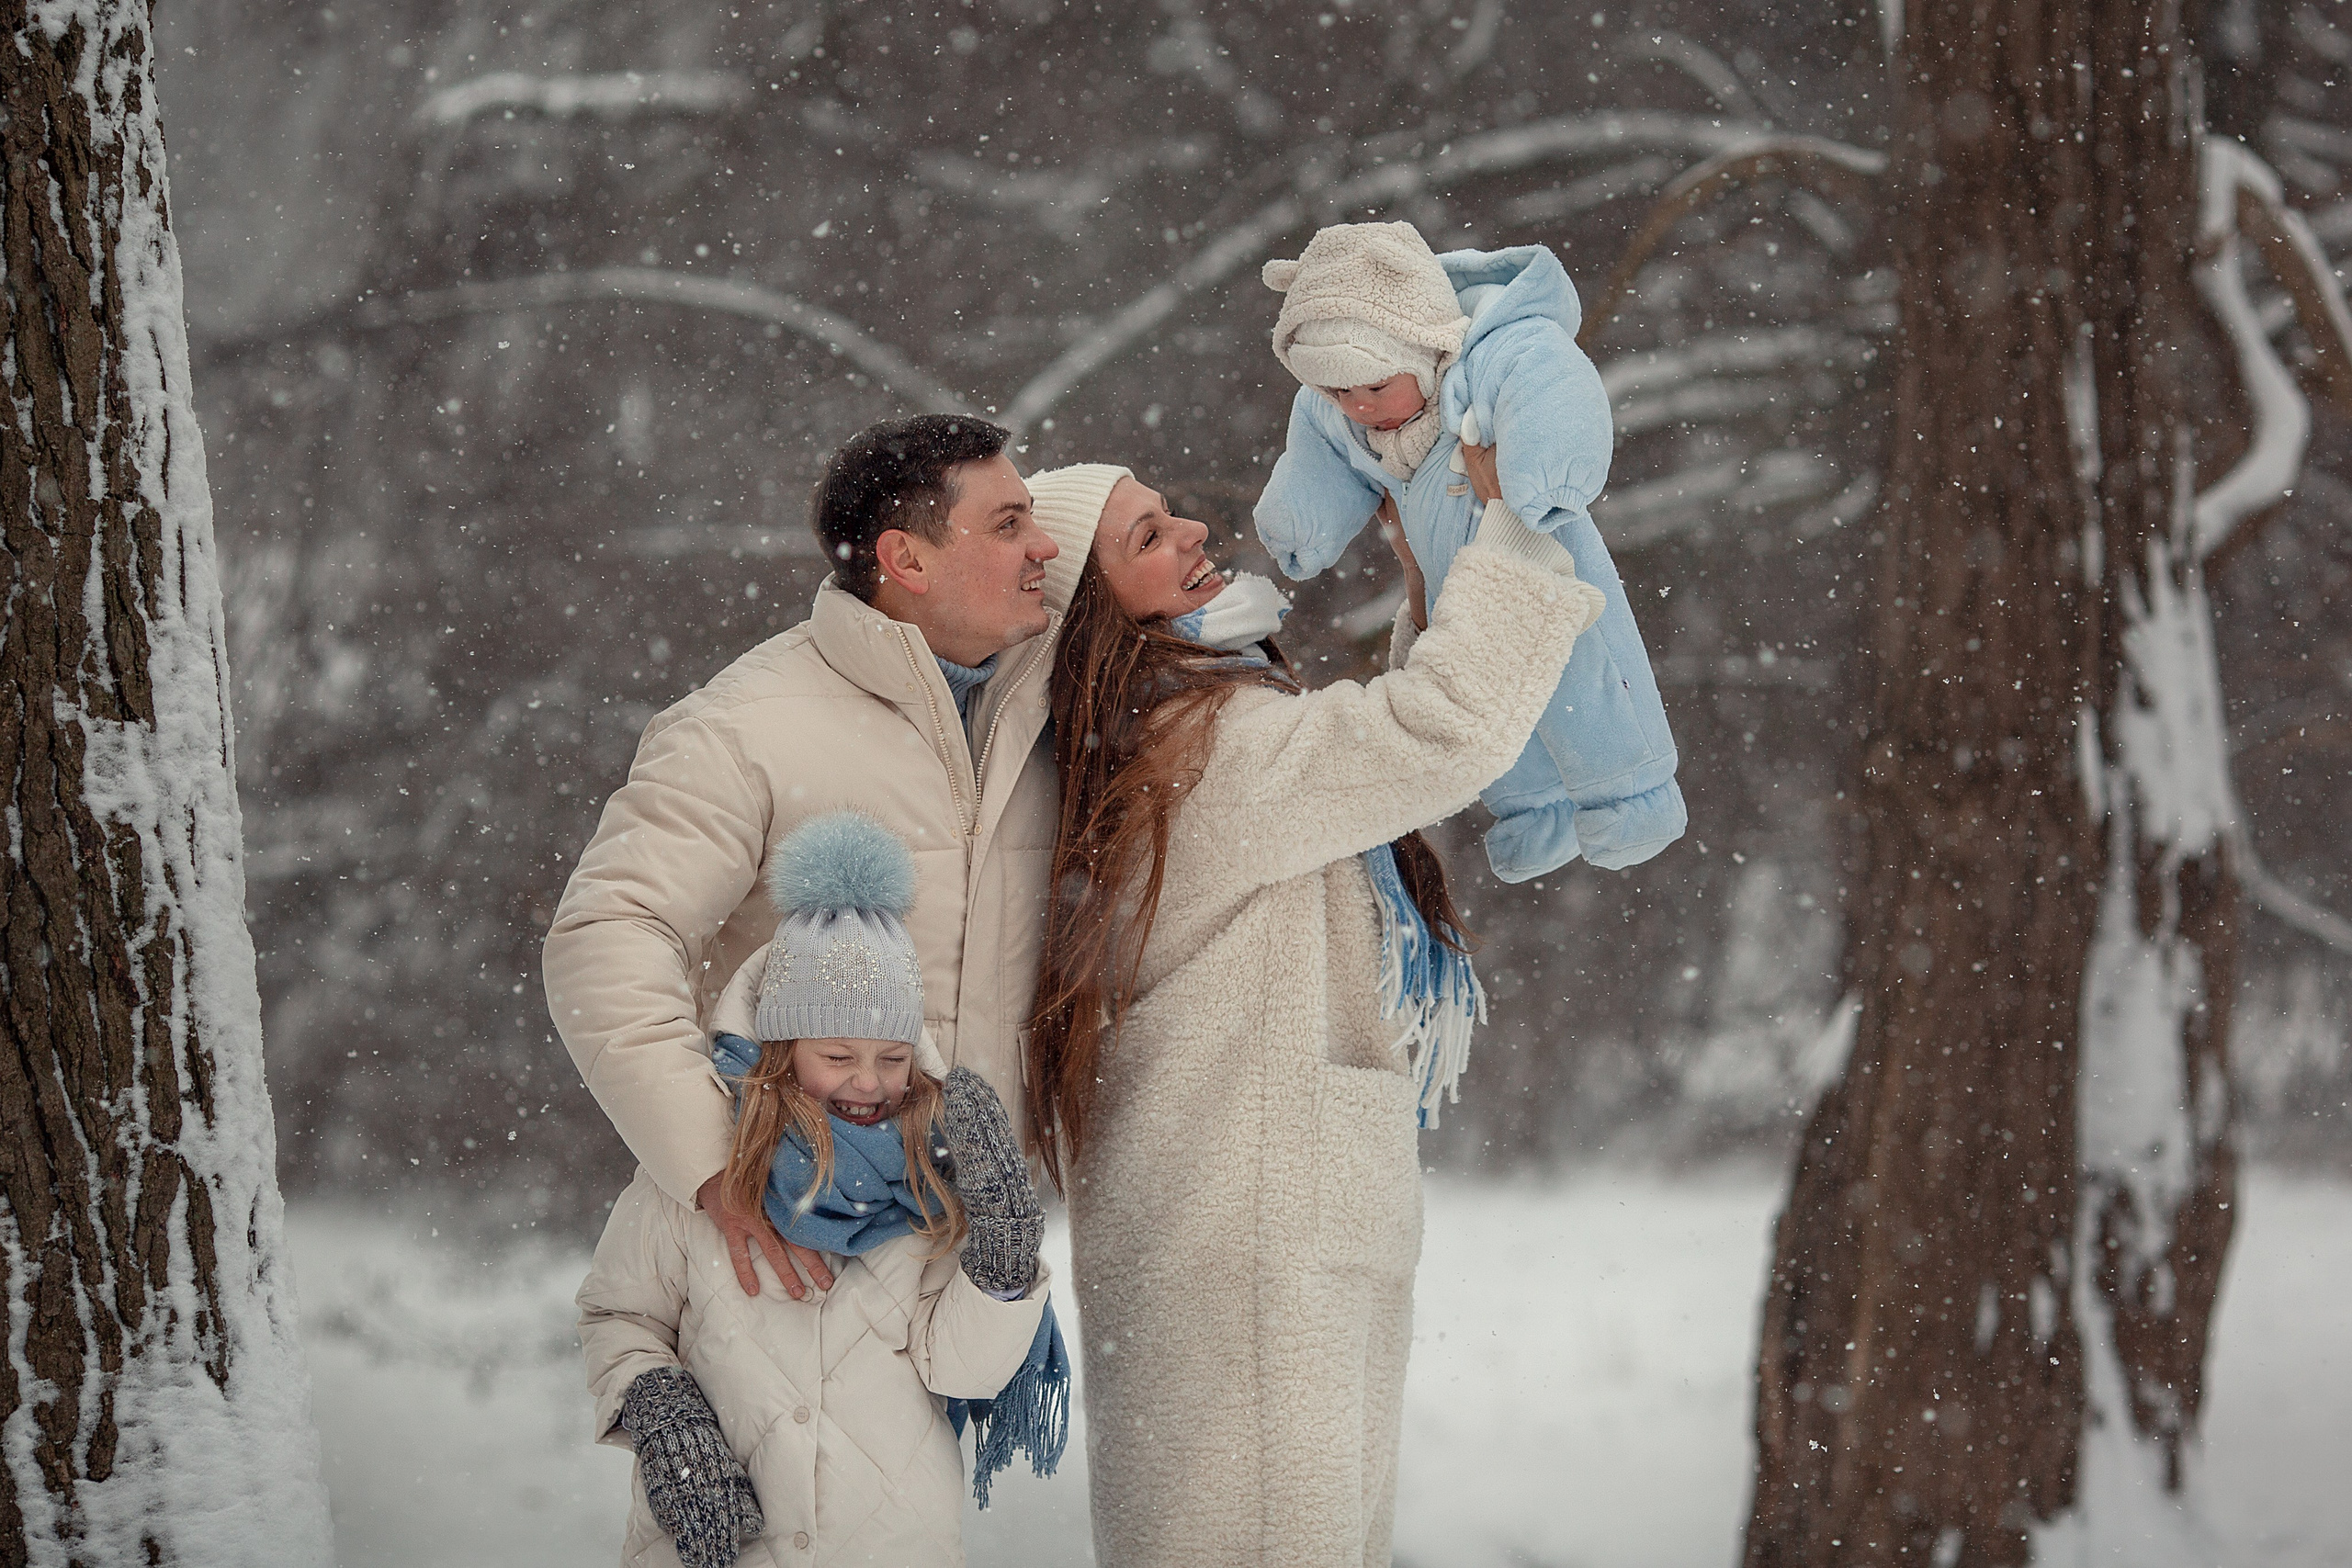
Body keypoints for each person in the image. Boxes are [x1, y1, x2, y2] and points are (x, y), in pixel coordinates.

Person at [1019, 458, 1607, 1568]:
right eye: (1147, 538)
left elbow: (1364, 763)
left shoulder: (1183, 733)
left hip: (1252, 1229)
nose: (1192, 528)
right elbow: (1430, 738)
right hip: (1253, 1252)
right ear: (1096, 612)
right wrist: (1513, 533)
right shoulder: (1195, 751)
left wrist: (1434, 569)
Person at [544, 414, 1098, 1303]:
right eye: (1007, 524)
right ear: (907, 562)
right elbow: (607, 937)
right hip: (791, 1248)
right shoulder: (743, 727)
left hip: (968, 1259)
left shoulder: (1040, 716)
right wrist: (717, 1165)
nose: (1045, 545)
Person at [577, 812, 1061, 1568]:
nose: (869, 1082)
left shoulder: (931, 1187)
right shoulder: (698, 1177)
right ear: (782, 1049)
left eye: (893, 1057)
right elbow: (618, 1314)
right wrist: (657, 1402)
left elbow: (963, 1369)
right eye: (838, 1054)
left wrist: (1000, 1253)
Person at [1252, 219, 1687, 882]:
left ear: (1425, 344)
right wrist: (1299, 527)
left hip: (1543, 561)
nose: (1360, 408)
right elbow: (1316, 451)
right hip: (1458, 597)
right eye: (1340, 391)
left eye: (1374, 386)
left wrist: (1542, 471)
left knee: (1585, 683)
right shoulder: (1334, 412)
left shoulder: (1491, 356)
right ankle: (1533, 814)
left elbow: (1549, 378)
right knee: (1491, 713)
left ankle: (1633, 796)